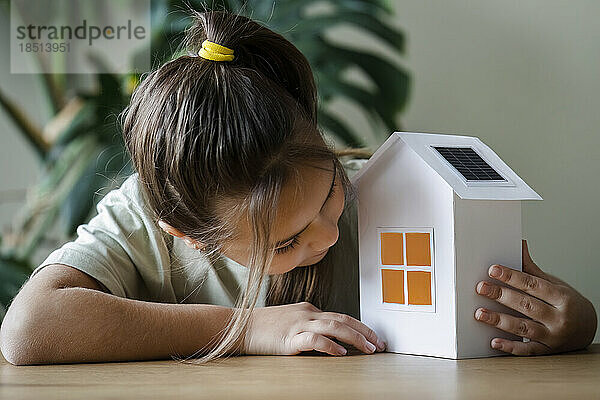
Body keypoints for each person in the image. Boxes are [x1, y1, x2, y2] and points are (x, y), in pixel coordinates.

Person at [0, 10, 596, 366]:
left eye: (331, 193)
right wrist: (249, 328)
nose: (330, 234)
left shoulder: (388, 201)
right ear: (188, 235)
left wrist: (571, 324)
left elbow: (506, 314)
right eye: (284, 242)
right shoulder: (139, 219)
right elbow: (28, 330)